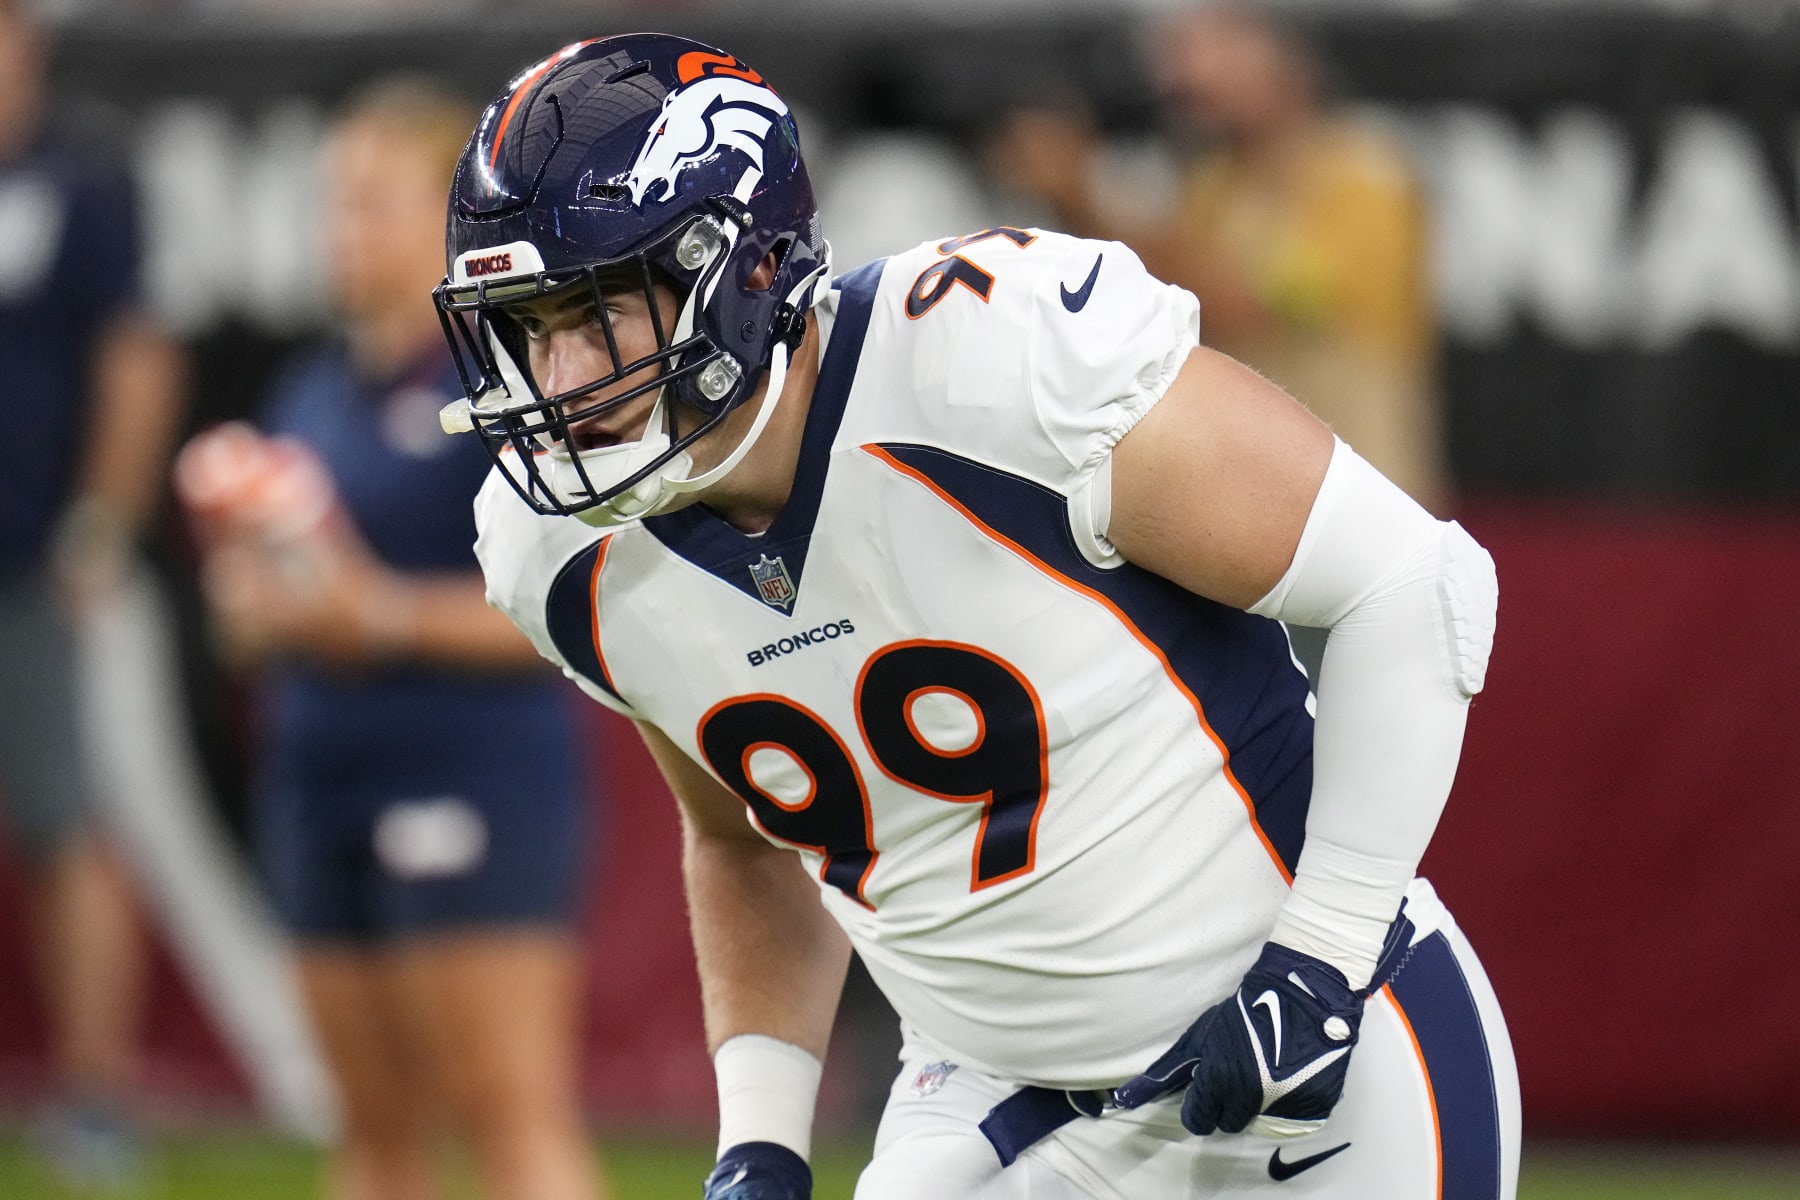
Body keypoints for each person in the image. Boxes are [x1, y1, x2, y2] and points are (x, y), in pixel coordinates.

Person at [437, 33, 1519, 1200]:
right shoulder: (558, 551)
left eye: (593, 313)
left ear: (744, 274)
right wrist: (760, 1138)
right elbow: (743, 832)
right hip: (994, 1101)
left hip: (1311, 1057)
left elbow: (1416, 581)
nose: (556, 382)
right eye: (525, 328)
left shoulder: (986, 366)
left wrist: (1321, 962)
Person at [178, 78, 606, 1200]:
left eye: (371, 201)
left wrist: (371, 615)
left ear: (446, 218)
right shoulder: (310, 389)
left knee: (508, 1113)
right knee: (368, 1128)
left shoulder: (512, 385)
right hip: (320, 774)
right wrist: (251, 610)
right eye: (335, 202)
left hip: (470, 770)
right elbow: (265, 610)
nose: (342, 230)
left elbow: (579, 612)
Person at [990, 1, 1448, 516]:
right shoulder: (1215, 185)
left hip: (1362, 512)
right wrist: (1073, 201)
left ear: (1280, 52)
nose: (1181, 74)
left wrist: (1084, 194)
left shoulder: (1361, 176)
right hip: (1255, 512)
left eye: (1211, 47)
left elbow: (1239, 305)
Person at [0, 0, 184, 1185]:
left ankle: (99, 1095)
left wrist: (99, 527)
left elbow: (135, 357)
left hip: (25, 563)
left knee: (64, 824)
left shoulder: (80, 174)